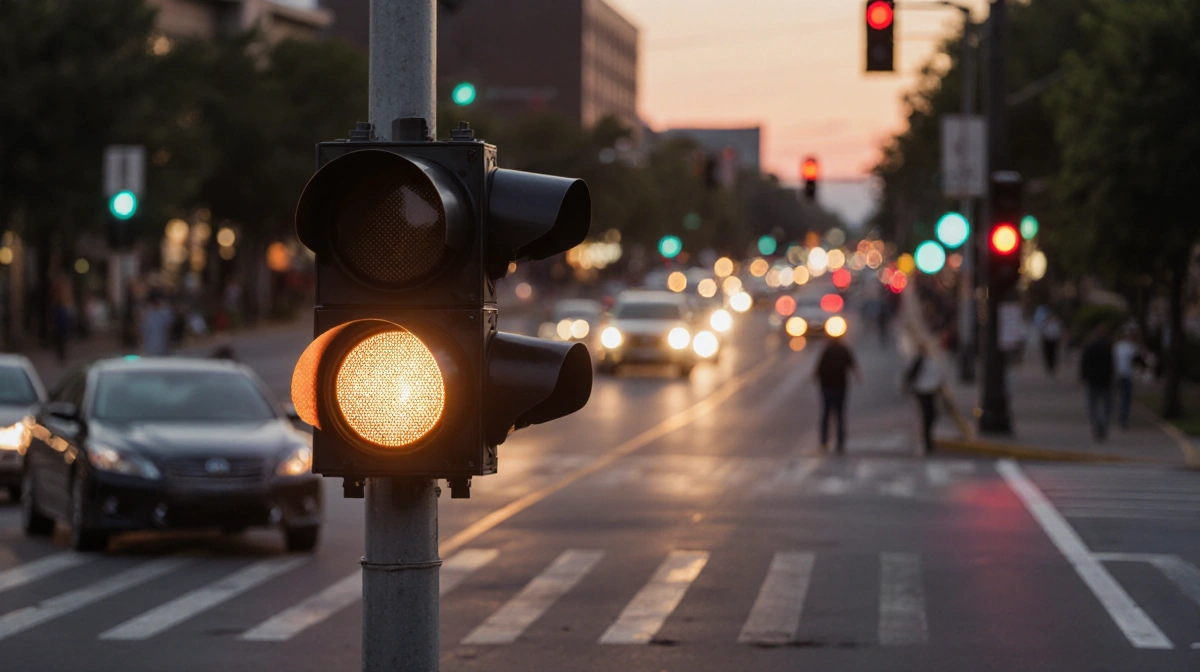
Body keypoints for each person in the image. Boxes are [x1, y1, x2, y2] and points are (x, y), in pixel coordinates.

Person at [814, 333, 862, 454]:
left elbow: (819, 368)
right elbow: (853, 365)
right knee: (839, 414)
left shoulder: (828, 350)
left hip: (828, 386)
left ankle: (825, 440)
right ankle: (839, 442)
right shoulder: (842, 350)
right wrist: (858, 377)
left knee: (827, 413)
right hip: (839, 386)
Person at [905, 342, 944, 455]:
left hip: (930, 391)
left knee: (931, 415)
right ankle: (927, 443)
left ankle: (928, 441)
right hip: (923, 392)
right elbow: (910, 375)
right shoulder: (919, 360)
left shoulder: (930, 359)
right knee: (928, 416)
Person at [1080, 326, 1115, 441]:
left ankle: (1096, 424)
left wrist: (1083, 376)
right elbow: (1111, 364)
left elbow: (1084, 363)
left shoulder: (1089, 347)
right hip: (1105, 380)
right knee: (1106, 405)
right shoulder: (1107, 347)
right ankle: (1103, 424)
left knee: (1092, 405)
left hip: (1092, 380)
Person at [1113, 327, 1143, 430]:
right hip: (1127, 375)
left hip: (1117, 375)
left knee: (1119, 397)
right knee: (1126, 399)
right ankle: (1123, 419)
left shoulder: (1117, 346)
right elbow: (1137, 361)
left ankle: (1119, 416)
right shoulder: (1132, 347)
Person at [139, 292, 174, 356]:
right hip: (149, 349)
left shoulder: (165, 313)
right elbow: (143, 332)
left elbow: (169, 329)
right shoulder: (147, 314)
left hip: (163, 348)